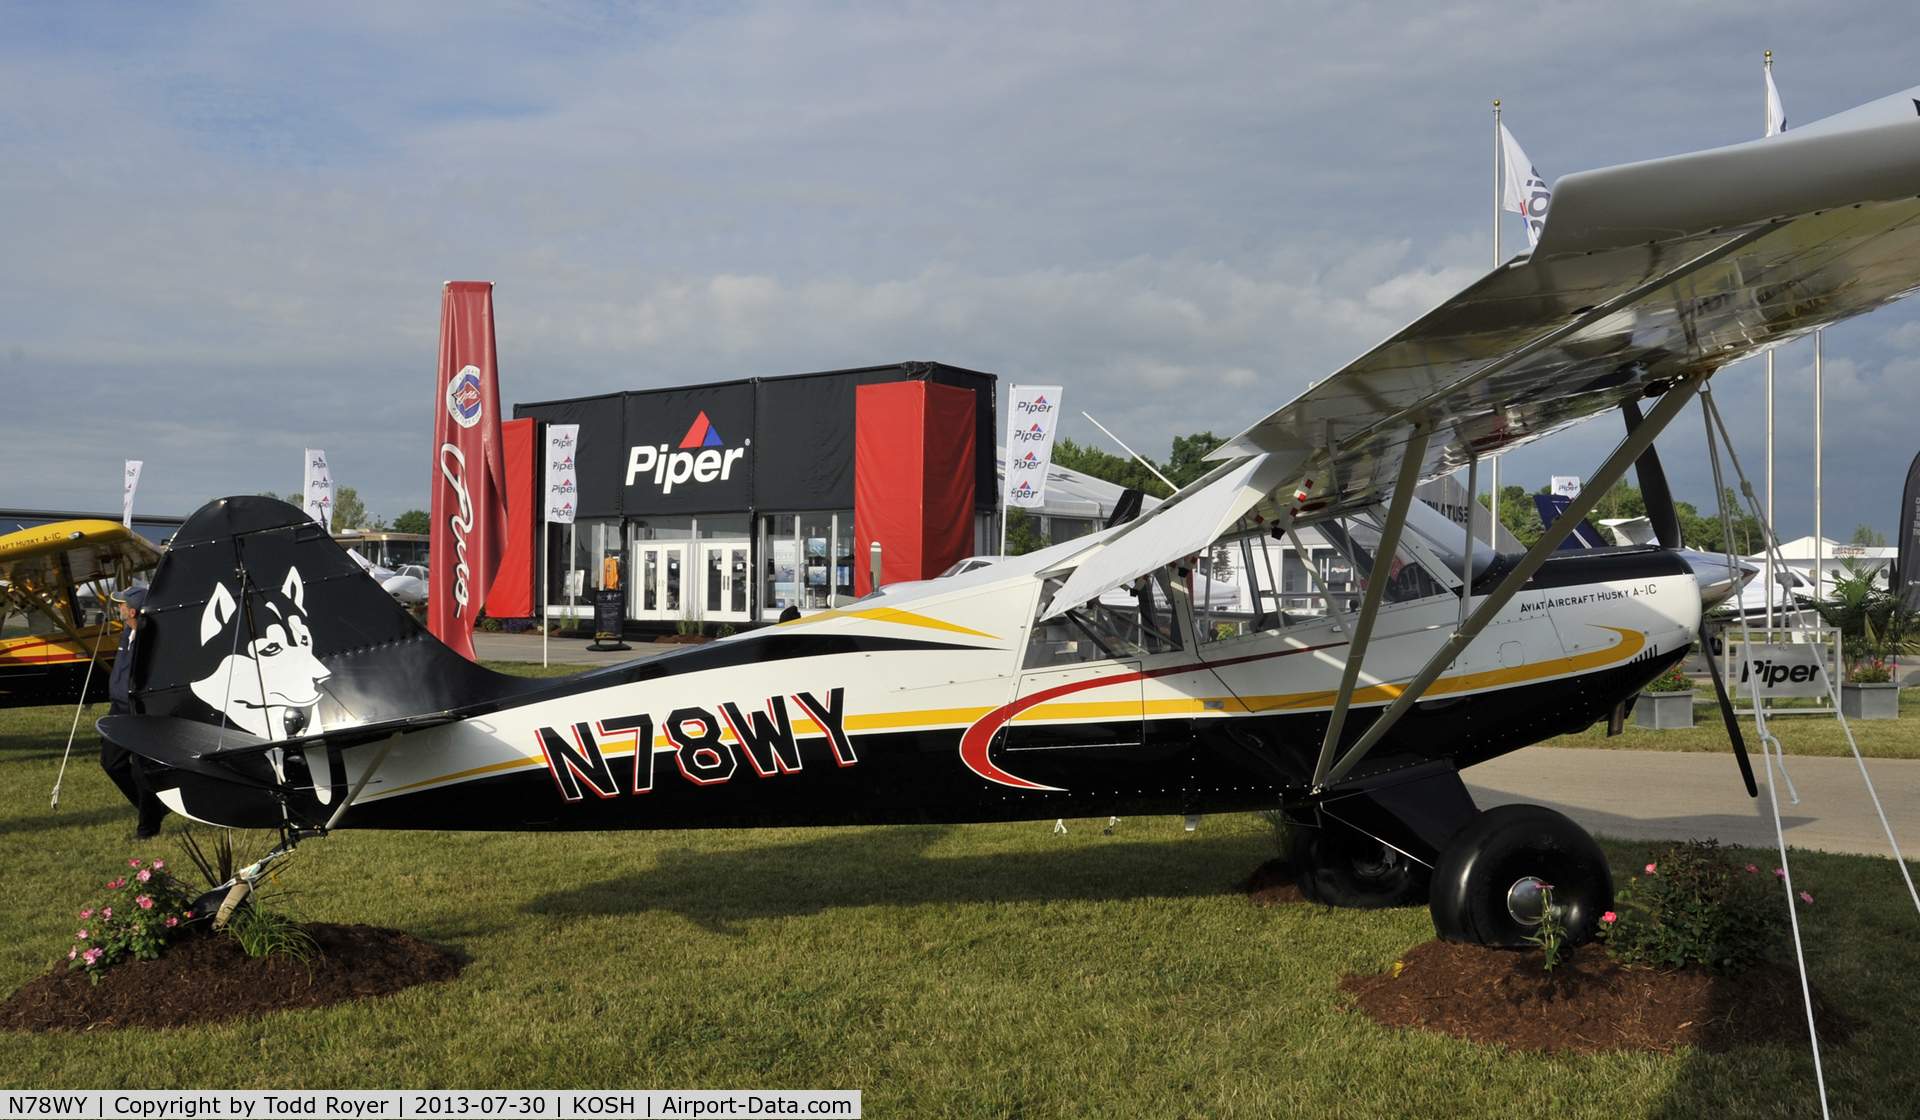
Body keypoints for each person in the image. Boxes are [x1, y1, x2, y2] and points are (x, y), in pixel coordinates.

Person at [100, 585, 169, 840]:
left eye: (120, 604)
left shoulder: (148, 640)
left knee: (141, 771)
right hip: (117, 706)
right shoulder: (125, 633)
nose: (117, 608)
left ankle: (147, 829)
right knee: (111, 763)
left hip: (138, 709)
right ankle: (153, 808)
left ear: (132, 611)